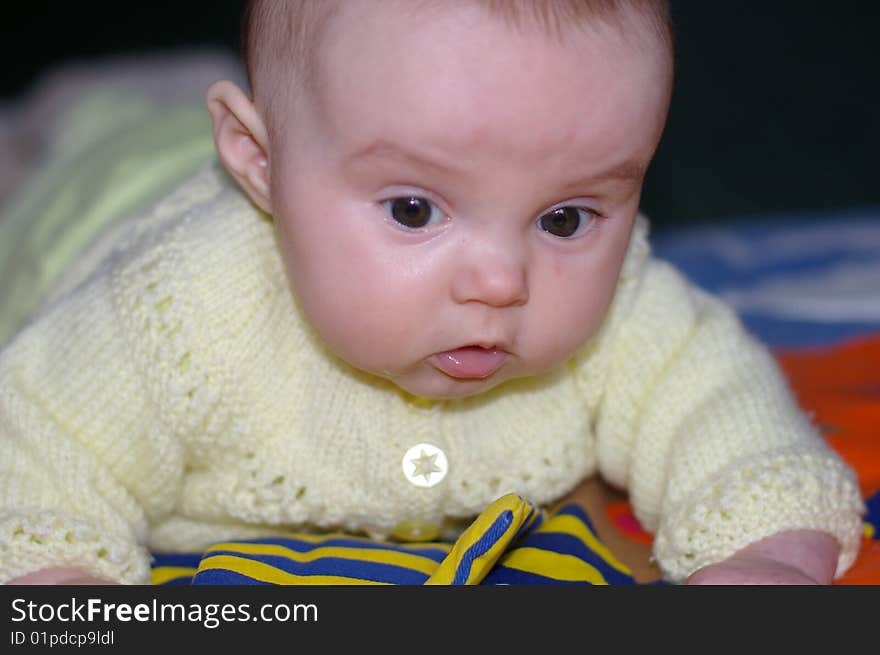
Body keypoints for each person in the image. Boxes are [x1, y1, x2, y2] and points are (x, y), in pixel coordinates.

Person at [0, 0, 864, 586]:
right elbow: (38, 452)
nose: (501, 281)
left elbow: (725, 413)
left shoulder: (617, 311)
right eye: (414, 209)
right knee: (83, 147)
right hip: (91, 216)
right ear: (259, 166)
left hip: (282, 146)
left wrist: (767, 557)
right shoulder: (174, 313)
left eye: (565, 218)